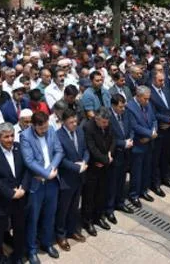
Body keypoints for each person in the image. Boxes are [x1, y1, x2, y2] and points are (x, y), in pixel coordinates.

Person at [20, 111, 63, 264]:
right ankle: (31, 250)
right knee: (33, 218)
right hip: (36, 184)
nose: (45, 131)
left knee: (50, 215)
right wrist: (46, 174)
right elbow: (29, 161)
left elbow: (59, 151)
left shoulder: (51, 129)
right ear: (33, 125)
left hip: (51, 181)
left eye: (46, 127)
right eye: (41, 129)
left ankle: (47, 243)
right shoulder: (25, 136)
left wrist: (51, 169)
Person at [0, 123, 29, 264]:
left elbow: (27, 170)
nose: (10, 139)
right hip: (2, 200)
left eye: (11, 136)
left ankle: (18, 254)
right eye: (6, 137)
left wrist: (23, 188)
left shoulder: (19, 147)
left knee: (19, 227)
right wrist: (11, 193)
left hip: (20, 196)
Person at [54, 109, 88, 247]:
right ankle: (60, 234)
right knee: (63, 208)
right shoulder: (58, 136)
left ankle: (72, 230)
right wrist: (77, 167)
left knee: (74, 206)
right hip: (66, 179)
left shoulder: (79, 131)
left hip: (79, 176)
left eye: (75, 121)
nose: (74, 124)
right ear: (63, 122)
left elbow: (85, 149)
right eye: (71, 122)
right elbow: (60, 159)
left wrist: (85, 161)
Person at [82, 107, 114, 233]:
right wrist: (105, 159)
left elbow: (113, 139)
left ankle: (98, 217)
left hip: (105, 165)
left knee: (101, 193)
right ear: (97, 119)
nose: (106, 125)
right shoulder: (88, 127)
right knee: (89, 196)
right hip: (93, 167)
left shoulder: (108, 124)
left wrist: (110, 154)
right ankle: (87, 221)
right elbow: (91, 148)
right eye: (104, 122)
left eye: (107, 122)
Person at [126, 86, 157, 208]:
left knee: (146, 169)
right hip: (138, 144)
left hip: (148, 143)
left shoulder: (147, 104)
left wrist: (153, 132)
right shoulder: (130, 107)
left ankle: (144, 190)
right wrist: (150, 134)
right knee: (137, 172)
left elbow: (154, 120)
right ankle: (134, 194)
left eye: (148, 99)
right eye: (145, 99)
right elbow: (134, 126)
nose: (147, 101)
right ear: (138, 97)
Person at [104, 94, 134, 219]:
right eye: (120, 107)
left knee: (122, 180)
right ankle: (109, 208)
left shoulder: (126, 113)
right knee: (112, 183)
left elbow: (131, 128)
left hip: (126, 154)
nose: (123, 109)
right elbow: (108, 138)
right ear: (113, 106)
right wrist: (122, 143)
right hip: (115, 155)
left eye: (124, 106)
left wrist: (130, 139)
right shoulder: (108, 117)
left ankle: (120, 202)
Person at [148, 71, 170, 196]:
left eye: (163, 80)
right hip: (159, 130)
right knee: (156, 158)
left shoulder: (165, 90)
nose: (163, 83)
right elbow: (153, 113)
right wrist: (168, 120)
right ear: (154, 80)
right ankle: (155, 183)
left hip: (169, 129)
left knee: (166, 155)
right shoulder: (150, 93)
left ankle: (166, 178)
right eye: (160, 80)